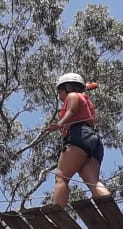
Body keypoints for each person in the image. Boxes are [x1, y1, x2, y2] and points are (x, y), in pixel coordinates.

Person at [46, 72, 111, 207]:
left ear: (67, 88)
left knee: (61, 177)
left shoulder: (73, 95)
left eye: (60, 93)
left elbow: (72, 111)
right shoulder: (87, 101)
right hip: (93, 140)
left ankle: (56, 212)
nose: (60, 97)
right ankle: (110, 207)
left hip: (79, 136)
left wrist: (58, 125)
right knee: (93, 181)